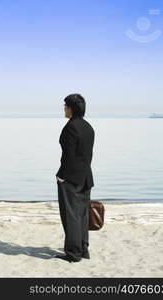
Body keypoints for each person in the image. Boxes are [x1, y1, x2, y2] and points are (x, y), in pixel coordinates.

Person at [54, 94, 95, 263]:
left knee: (70, 215)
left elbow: (68, 157)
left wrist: (61, 176)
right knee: (83, 214)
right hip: (86, 176)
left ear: (71, 108)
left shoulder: (71, 127)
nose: (64, 109)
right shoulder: (88, 127)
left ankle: (73, 253)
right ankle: (83, 249)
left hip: (71, 178)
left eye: (65, 106)